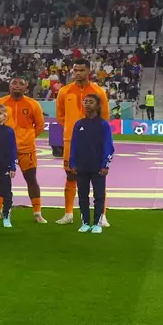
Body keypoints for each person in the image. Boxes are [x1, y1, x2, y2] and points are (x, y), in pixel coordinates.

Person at [55, 59, 110, 226]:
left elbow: (105, 116)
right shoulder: (64, 91)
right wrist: (76, 130)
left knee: (98, 176)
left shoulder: (98, 91)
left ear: (89, 71)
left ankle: (102, 216)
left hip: (94, 142)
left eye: (81, 70)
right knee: (71, 176)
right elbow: (60, 115)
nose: (77, 73)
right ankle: (68, 213)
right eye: (75, 70)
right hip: (71, 140)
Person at [0, 75, 47, 222]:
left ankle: (37, 213)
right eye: (14, 83)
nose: (17, 86)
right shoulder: (1, 103)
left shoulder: (33, 104)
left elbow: (39, 126)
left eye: (21, 84)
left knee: (31, 180)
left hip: (26, 149)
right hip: (5, 149)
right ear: (9, 86)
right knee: (1, 180)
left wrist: (28, 138)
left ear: (26, 88)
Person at [69, 93, 114, 235]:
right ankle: (85, 223)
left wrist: (105, 164)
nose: (87, 104)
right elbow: (74, 144)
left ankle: (97, 223)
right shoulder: (79, 124)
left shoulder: (103, 124)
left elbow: (109, 145)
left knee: (99, 196)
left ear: (97, 105)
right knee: (82, 195)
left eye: (91, 102)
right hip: (81, 165)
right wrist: (73, 163)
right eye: (85, 101)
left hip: (98, 166)